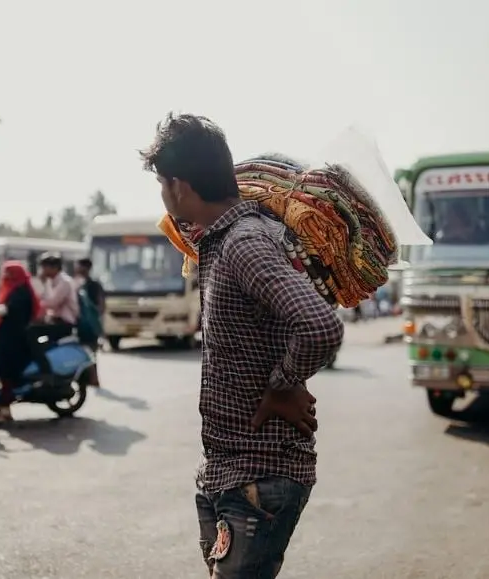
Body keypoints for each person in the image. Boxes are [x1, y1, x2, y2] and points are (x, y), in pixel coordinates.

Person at [140, 113, 344, 577]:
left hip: (260, 474)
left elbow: (321, 327)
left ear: (179, 186)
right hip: (228, 471)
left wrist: (282, 384)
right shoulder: (221, 242)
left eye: (161, 184)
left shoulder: (243, 243)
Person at [0, 261, 40, 423]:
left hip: (14, 339)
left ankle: (5, 411)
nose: (5, 276)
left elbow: (6, 309)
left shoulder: (21, 292)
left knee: (6, 374)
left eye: (9, 273)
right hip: (4, 336)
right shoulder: (11, 289)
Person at [29, 253, 79, 373]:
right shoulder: (54, 281)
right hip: (55, 320)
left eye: (45, 268)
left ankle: (44, 367)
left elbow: (51, 302)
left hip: (64, 323)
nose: (43, 271)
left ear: (54, 268)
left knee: (31, 332)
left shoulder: (64, 282)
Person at [74, 257, 104, 386]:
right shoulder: (77, 283)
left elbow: (101, 305)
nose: (78, 269)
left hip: (89, 324)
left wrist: (97, 321)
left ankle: (93, 378)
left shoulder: (93, 285)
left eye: (80, 266)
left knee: (91, 351)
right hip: (80, 323)